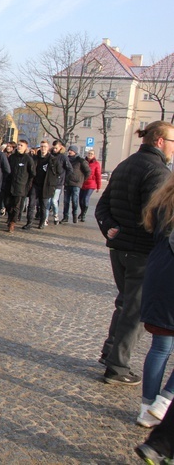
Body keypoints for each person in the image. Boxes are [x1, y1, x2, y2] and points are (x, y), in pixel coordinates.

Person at [96, 121, 174, 386]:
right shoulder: (158, 171)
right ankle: (117, 366)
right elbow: (156, 218)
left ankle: (109, 354)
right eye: (173, 142)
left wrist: (111, 228)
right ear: (160, 141)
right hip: (142, 251)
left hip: (120, 249)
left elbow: (102, 207)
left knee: (125, 302)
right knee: (136, 309)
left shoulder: (125, 164)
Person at [135, 174, 174, 427]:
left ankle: (146, 407)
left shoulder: (163, 203)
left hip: (158, 274)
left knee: (160, 346)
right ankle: (164, 401)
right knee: (161, 347)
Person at [4, 140, 35, 232]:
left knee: (16, 206)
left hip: (21, 186)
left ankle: (13, 222)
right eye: (18, 145)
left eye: (21, 145)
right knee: (7, 203)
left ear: (25, 147)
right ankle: (9, 217)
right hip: (10, 185)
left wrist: (28, 185)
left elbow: (32, 173)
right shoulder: (12, 157)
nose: (19, 147)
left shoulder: (28, 159)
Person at [61, 144, 91, 223]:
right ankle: (65, 217)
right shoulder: (66, 159)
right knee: (66, 201)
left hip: (76, 184)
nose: (69, 151)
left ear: (75, 151)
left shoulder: (81, 160)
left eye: (71, 150)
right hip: (67, 183)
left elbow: (88, 171)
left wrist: (82, 180)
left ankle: (74, 216)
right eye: (69, 150)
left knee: (74, 201)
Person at [79, 149, 102, 222]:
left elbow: (98, 175)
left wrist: (98, 186)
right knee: (80, 200)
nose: (90, 155)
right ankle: (82, 212)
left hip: (91, 184)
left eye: (91, 154)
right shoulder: (83, 162)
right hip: (82, 183)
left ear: (94, 155)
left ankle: (83, 214)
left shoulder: (96, 164)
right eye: (89, 153)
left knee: (85, 199)